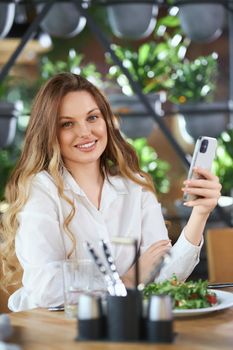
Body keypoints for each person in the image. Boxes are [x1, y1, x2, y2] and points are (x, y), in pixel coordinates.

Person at [0, 73, 221, 312]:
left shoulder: (135, 185)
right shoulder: (40, 189)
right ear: (49, 132)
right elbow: (46, 288)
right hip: (52, 332)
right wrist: (126, 280)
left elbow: (163, 277)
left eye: (92, 117)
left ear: (106, 120)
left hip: (119, 324)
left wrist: (200, 214)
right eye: (67, 124)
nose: (85, 132)